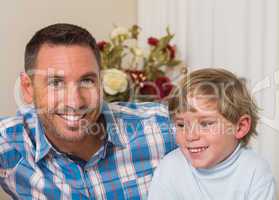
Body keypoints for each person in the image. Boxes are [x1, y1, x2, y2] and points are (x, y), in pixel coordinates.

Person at [0, 23, 176, 199]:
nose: (75, 102)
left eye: (87, 81)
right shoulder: (10, 143)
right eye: (56, 83)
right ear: (27, 88)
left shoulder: (161, 128)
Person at [148, 68, 276, 199]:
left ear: (240, 127)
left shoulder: (255, 171)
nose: (190, 136)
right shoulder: (170, 167)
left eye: (205, 124)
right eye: (181, 125)